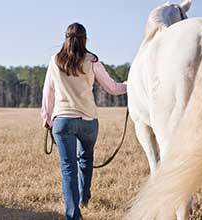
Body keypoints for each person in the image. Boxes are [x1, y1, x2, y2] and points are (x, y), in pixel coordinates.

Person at [41, 22, 127, 220]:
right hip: (89, 120)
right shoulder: (92, 60)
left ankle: (73, 214)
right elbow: (113, 88)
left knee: (68, 168)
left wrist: (46, 118)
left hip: (62, 121)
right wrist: (132, 85)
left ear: (65, 39)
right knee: (86, 159)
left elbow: (48, 92)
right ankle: (84, 198)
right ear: (85, 40)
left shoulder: (55, 61)